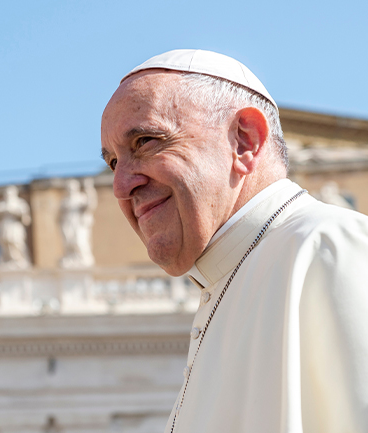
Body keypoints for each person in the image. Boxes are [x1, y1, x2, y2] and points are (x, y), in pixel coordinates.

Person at [101, 49, 368, 433]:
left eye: (145, 141)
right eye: (112, 162)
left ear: (244, 141)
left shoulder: (330, 248)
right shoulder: (225, 280)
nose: (121, 186)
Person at [59, 178, 97, 268]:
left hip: (79, 225)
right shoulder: (65, 202)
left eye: (72, 188)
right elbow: (59, 217)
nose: (70, 190)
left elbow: (90, 205)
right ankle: (71, 258)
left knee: (80, 242)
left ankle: (84, 259)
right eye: (69, 188)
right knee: (69, 242)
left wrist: (90, 189)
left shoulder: (81, 198)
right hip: (68, 225)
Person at [0, 185, 31, 269]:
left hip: (15, 227)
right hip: (5, 227)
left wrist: (14, 211)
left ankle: (19, 261)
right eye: (7, 193)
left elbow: (27, 219)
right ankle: (7, 261)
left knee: (16, 244)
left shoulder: (20, 204)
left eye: (11, 193)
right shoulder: (0, 205)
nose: (8, 195)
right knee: (5, 243)